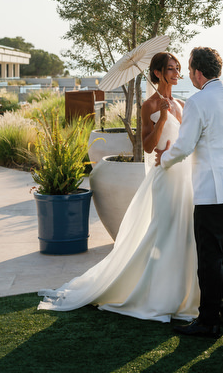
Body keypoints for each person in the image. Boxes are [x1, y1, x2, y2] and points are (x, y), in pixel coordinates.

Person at [37, 52, 200, 322]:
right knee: (165, 231)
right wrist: (161, 120)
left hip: (184, 177)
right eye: (170, 69)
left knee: (184, 232)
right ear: (158, 73)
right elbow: (147, 146)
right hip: (164, 176)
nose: (175, 73)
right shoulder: (148, 105)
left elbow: (189, 141)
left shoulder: (182, 104)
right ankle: (157, 295)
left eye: (178, 68)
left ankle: (183, 294)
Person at [155, 47, 223, 337]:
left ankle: (208, 320)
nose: (188, 76)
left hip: (214, 188)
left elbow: (185, 146)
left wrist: (163, 159)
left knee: (210, 254)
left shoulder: (198, 101)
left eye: (189, 71)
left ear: (198, 72)